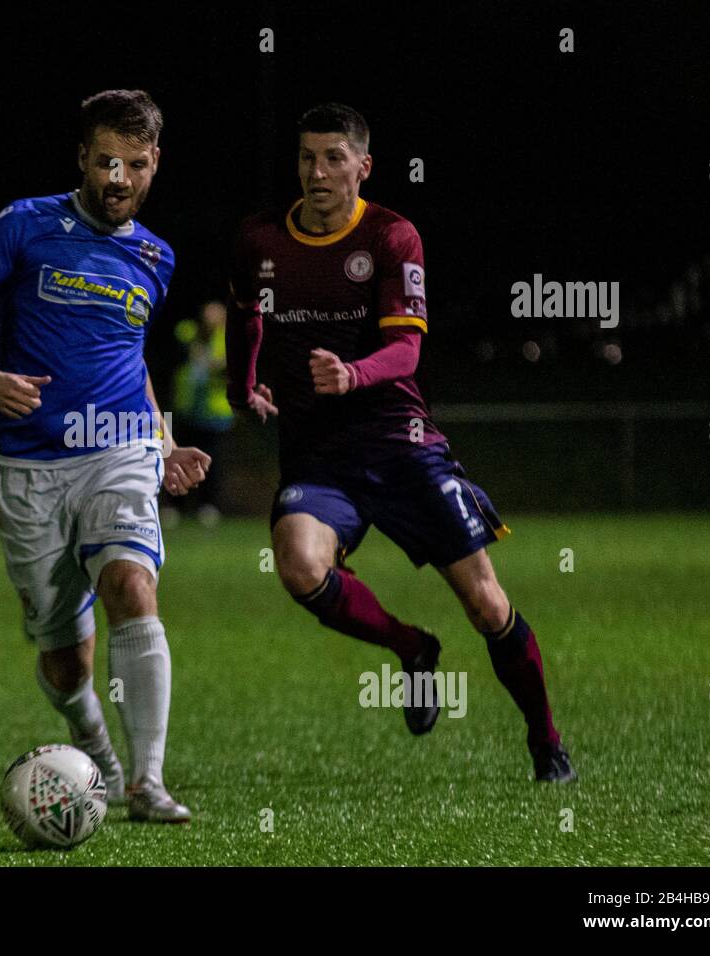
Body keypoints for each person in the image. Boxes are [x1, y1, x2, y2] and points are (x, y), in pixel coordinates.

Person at [226, 103, 575, 783]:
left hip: (402, 445)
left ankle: (546, 741)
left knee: (487, 605)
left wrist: (352, 374)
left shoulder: (391, 236)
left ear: (364, 166)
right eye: (305, 157)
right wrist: (244, 386)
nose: (316, 171)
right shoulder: (259, 238)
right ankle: (413, 649)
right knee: (299, 567)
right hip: (318, 456)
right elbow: (245, 317)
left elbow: (407, 350)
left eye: (332, 157)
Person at [0, 90, 212, 820]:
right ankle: (93, 741)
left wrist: (167, 438)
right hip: (30, 466)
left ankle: (147, 783)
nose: (119, 177)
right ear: (84, 159)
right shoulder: (25, 223)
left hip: (118, 449)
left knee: (130, 585)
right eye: (107, 161)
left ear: (155, 166)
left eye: (136, 164)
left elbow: (131, 359)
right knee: (64, 660)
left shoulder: (156, 255)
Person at [169, 300, 233, 527]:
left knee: (211, 461)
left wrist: (216, 365)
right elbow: (177, 348)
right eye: (207, 316)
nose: (210, 321)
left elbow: (233, 369)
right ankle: (175, 505)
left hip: (215, 411)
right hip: (187, 406)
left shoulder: (229, 339)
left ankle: (208, 506)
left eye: (216, 317)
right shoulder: (188, 332)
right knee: (177, 454)